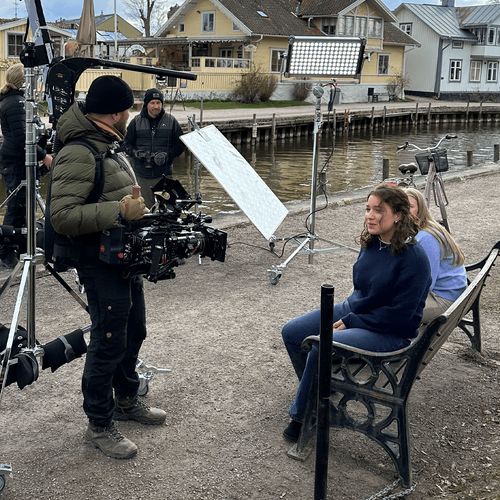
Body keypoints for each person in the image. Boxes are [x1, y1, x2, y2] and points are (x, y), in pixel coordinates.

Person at [49, 75, 166, 460]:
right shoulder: (79, 151)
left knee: (134, 329)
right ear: (115, 113)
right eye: (127, 108)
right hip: (98, 263)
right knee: (108, 340)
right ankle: (99, 423)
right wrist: (118, 210)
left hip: (122, 258)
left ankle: (126, 399)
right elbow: (61, 216)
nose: (130, 114)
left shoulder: (107, 144)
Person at [281, 184, 431, 442]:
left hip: (388, 332)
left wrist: (351, 321)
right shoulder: (373, 243)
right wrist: (350, 315)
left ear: (397, 215)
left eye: (378, 210)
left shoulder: (413, 258)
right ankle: (319, 394)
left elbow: (400, 317)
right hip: (357, 313)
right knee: (292, 332)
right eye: (368, 209)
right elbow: (362, 291)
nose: (370, 216)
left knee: (320, 345)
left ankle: (303, 414)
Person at [0, 62, 52, 268]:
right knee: (15, 205)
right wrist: (43, 156)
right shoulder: (14, 103)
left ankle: (22, 245)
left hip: (21, 160)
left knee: (24, 206)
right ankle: (7, 250)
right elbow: (23, 136)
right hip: (17, 161)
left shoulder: (20, 102)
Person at [405, 187, 467, 324]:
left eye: (409, 206)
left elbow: (426, 284)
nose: (405, 210)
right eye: (401, 206)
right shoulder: (428, 227)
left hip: (444, 300)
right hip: (452, 291)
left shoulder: (425, 238)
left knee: (386, 309)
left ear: (420, 209)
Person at [124, 88, 184, 207]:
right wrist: (137, 153)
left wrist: (167, 155)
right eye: (152, 103)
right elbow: (126, 145)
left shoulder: (171, 121)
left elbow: (181, 145)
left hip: (164, 175)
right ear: (146, 104)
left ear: (162, 104)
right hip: (141, 176)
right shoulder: (136, 122)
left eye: (158, 103)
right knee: (144, 210)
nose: (156, 106)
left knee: (167, 210)